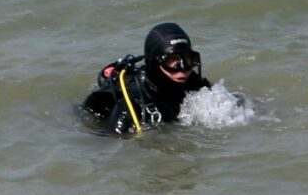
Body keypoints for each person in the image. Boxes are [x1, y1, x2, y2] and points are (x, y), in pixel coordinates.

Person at [82, 21, 213, 134]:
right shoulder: (130, 103)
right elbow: (112, 144)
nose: (183, 68)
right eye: (173, 60)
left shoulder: (191, 82)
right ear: (155, 63)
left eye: (189, 59)